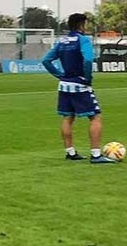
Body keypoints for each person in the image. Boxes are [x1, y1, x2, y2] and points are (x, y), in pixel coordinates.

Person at [41, 13, 115, 164]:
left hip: (64, 85)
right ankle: (96, 155)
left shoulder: (62, 41)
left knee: (68, 117)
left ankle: (70, 152)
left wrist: (60, 75)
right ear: (81, 25)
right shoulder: (83, 40)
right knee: (95, 117)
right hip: (80, 85)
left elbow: (46, 60)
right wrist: (87, 78)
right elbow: (87, 60)